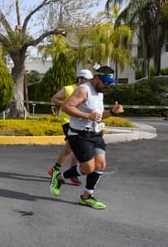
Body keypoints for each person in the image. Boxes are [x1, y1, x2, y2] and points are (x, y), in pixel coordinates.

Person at [50, 66, 124, 210]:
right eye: (105, 83)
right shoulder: (83, 90)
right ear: (96, 79)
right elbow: (66, 107)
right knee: (88, 168)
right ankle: (59, 177)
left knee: (101, 164)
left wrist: (113, 112)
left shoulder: (100, 93)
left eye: (109, 84)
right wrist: (87, 116)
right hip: (79, 135)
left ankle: (86, 197)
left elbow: (99, 115)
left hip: (95, 133)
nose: (107, 87)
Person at [48, 69, 94, 186]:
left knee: (70, 148)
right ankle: (72, 173)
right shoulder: (68, 89)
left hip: (81, 122)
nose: (88, 82)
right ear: (79, 79)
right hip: (68, 121)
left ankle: (55, 169)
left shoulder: (88, 90)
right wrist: (67, 105)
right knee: (75, 147)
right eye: (86, 79)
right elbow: (54, 99)